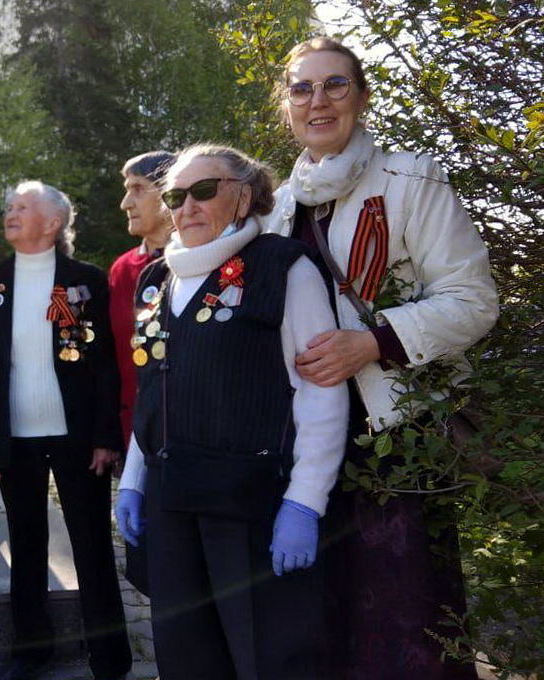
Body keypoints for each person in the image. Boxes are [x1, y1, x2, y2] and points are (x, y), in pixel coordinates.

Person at [263, 37, 499, 679]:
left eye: (335, 85)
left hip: (394, 444)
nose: (319, 101)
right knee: (323, 625)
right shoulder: (281, 207)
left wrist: (372, 341)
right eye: (303, 88)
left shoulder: (409, 179)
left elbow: (474, 300)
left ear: (361, 97)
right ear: (285, 104)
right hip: (307, 445)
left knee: (407, 627)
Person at [114, 144, 349, 679]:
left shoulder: (283, 267)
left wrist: (306, 502)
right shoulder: (156, 280)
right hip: (170, 500)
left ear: (244, 195)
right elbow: (154, 390)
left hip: (248, 504)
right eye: (175, 195)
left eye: (204, 190)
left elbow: (320, 392)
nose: (187, 206)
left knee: (263, 657)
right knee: (186, 656)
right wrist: (132, 479)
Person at [0, 181, 132, 680]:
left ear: (53, 222)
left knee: (92, 545)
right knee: (28, 545)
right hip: (15, 437)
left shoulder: (86, 281)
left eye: (22, 207)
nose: (10, 213)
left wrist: (106, 436)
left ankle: (110, 658)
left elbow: (105, 366)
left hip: (79, 439)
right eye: (10, 207)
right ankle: (32, 653)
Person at [109, 151, 175, 447]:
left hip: (195, 432)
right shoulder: (123, 270)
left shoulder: (208, 261)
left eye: (137, 189)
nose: (125, 204)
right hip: (134, 431)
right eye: (127, 191)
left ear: (168, 192)